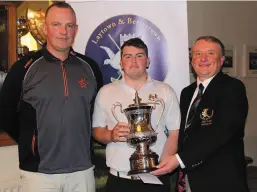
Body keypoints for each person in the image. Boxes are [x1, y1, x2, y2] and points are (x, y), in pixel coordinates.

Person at [0, 2, 102, 192]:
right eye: (56, 25)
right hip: (39, 174)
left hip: (82, 171)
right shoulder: (23, 68)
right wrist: (32, 143)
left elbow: (97, 114)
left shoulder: (90, 67)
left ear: (76, 30)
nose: (64, 31)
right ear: (45, 28)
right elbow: (7, 116)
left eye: (69, 25)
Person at [151, 36, 249, 192]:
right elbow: (184, 134)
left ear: (222, 60)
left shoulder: (232, 88)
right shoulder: (187, 93)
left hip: (221, 180)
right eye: (197, 54)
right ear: (191, 60)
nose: (203, 58)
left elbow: (222, 132)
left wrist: (179, 159)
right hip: (188, 178)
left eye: (210, 53)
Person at [92, 37, 180, 192]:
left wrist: (164, 164)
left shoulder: (165, 91)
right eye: (128, 56)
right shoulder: (105, 92)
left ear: (148, 61)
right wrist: (111, 135)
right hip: (119, 179)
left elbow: (174, 133)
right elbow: (97, 131)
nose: (133, 61)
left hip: (156, 177)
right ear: (120, 63)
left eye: (139, 56)